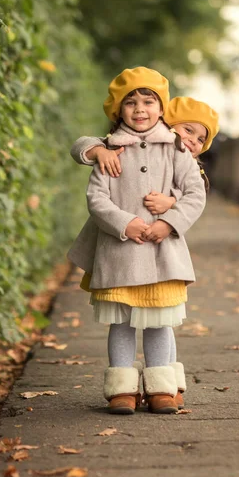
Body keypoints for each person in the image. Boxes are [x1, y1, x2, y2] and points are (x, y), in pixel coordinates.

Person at [68, 67, 206, 415]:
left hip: (163, 253)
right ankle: (122, 389)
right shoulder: (109, 151)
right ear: (118, 110)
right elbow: (97, 199)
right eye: (130, 102)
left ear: (162, 108)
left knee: (159, 320)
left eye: (148, 101)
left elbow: (195, 194)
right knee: (122, 321)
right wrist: (125, 222)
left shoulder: (176, 149)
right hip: (120, 253)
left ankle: (162, 388)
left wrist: (169, 222)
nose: (140, 109)